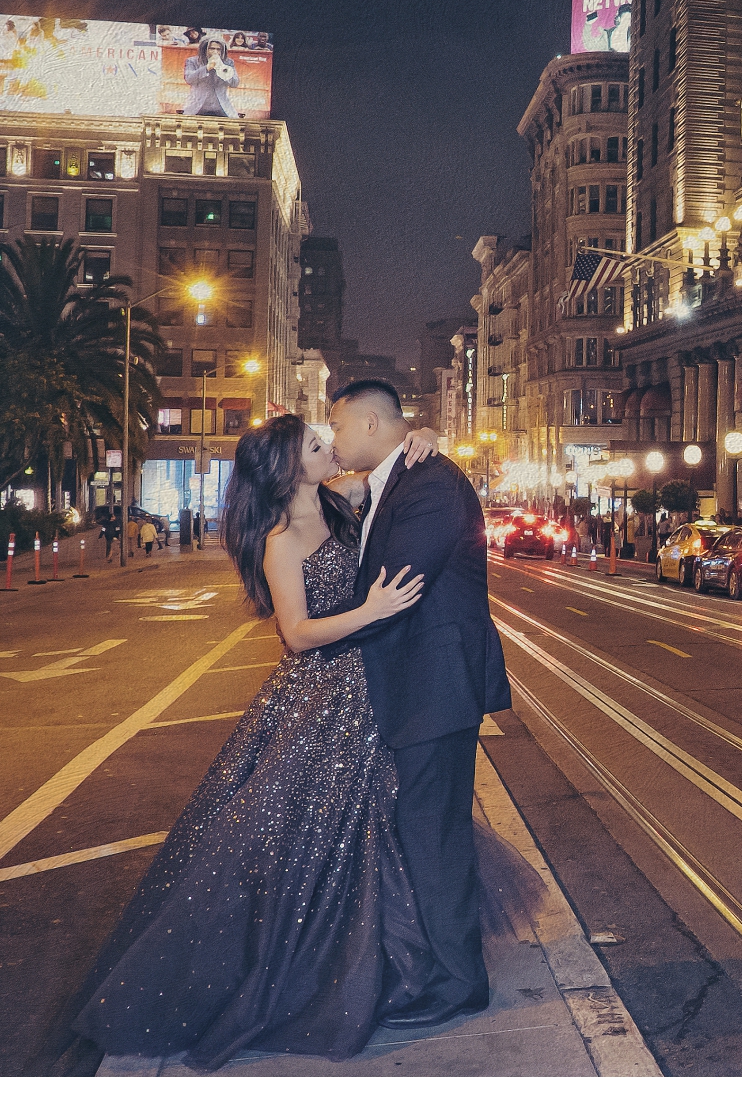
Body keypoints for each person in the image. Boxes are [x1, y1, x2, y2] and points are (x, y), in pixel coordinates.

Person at [73, 416, 442, 1069]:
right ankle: (312, 972)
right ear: (286, 466)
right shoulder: (280, 539)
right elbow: (295, 634)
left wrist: (426, 435)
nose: (330, 447)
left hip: (370, 689)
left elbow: (392, 470)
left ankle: (385, 960)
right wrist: (370, 611)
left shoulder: (344, 497)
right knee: (292, 831)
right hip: (318, 696)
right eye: (314, 444)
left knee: (376, 822)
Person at [326, 379, 509, 1029]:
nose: (335, 440)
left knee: (432, 833)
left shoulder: (428, 484)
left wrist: (319, 638)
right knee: (422, 829)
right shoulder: (388, 481)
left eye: (340, 427)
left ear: (374, 423)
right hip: (416, 683)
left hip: (435, 682)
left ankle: (458, 983)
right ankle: (436, 967)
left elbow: (396, 585)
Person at [183, 38, 240, 117]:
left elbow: (235, 83)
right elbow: (189, 79)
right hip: (197, 108)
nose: (215, 52)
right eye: (212, 49)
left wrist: (221, 68)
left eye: (218, 49)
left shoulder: (228, 62)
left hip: (222, 108)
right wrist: (206, 68)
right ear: (204, 49)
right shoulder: (192, 61)